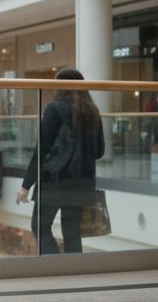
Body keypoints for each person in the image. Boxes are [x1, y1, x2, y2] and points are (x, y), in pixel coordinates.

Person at [17, 68, 106, 255]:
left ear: (62, 86)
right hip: (83, 182)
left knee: (40, 226)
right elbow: (99, 151)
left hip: (54, 181)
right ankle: (73, 272)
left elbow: (41, 149)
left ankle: (55, 267)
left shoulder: (55, 109)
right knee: (72, 232)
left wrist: (26, 185)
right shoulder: (92, 111)